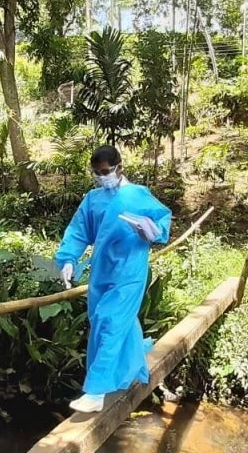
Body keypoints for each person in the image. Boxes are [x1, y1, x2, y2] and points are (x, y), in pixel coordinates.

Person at [56, 145, 172, 413]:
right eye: (96, 173)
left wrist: (152, 231)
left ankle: (96, 392)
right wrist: (68, 259)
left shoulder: (137, 195)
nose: (100, 177)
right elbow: (78, 231)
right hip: (102, 271)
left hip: (129, 272)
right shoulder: (93, 199)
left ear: (119, 168)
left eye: (105, 172)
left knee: (110, 321)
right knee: (104, 320)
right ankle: (131, 364)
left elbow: (162, 221)